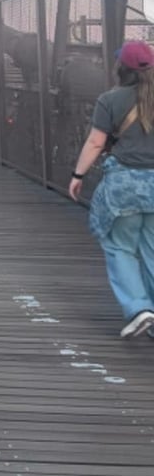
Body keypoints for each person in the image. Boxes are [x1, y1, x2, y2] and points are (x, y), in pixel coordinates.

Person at [69, 40, 154, 339]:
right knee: (152, 250)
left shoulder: (110, 99)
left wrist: (78, 174)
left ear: (121, 67)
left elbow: (96, 142)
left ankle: (138, 307)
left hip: (125, 185)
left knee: (119, 246)